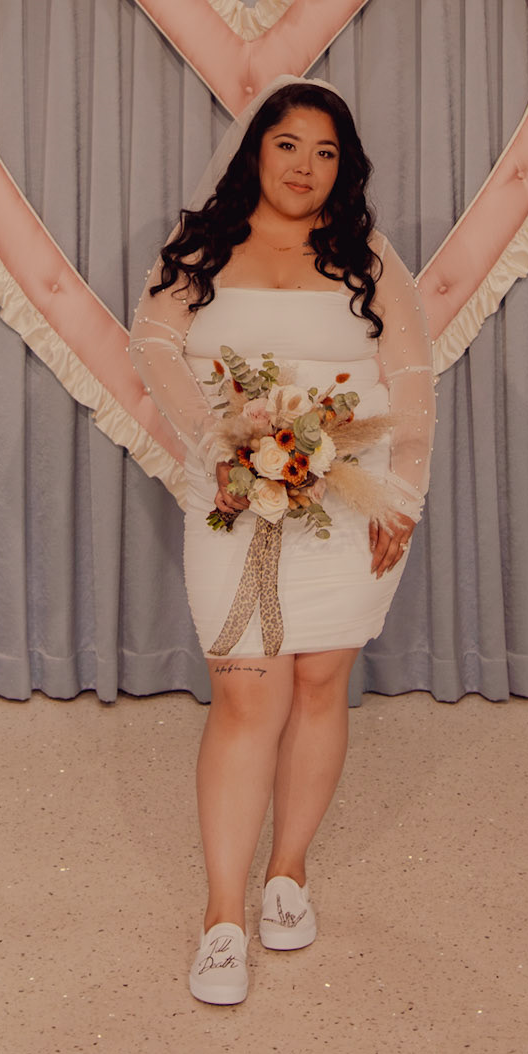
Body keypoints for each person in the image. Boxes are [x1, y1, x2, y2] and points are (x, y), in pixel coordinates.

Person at [129, 76, 435, 1005]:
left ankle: (286, 875)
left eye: (326, 152)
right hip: (232, 494)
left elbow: (410, 377)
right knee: (243, 696)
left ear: (345, 168)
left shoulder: (365, 257)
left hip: (350, 502)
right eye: (289, 145)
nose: (305, 166)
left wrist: (401, 497)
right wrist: (217, 437)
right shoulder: (201, 247)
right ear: (255, 150)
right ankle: (222, 919)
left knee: (318, 683)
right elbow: (151, 345)